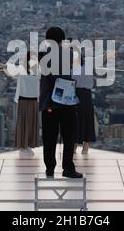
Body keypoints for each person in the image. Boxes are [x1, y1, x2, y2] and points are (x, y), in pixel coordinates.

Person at [39, 27, 83, 179]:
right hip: (67, 102)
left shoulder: (43, 56)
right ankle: (68, 168)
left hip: (48, 103)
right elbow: (78, 62)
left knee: (49, 137)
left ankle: (50, 168)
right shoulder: (68, 54)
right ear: (62, 39)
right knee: (69, 135)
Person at [2, 52, 39, 157]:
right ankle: (25, 146)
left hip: (26, 99)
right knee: (30, 123)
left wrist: (5, 68)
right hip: (32, 100)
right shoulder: (38, 70)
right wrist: (6, 67)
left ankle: (25, 146)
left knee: (25, 123)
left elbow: (10, 73)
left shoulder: (23, 69)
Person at [72, 49, 96, 155]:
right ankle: (85, 147)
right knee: (87, 119)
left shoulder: (71, 71)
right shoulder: (88, 68)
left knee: (76, 121)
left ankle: (74, 146)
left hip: (75, 94)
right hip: (87, 95)